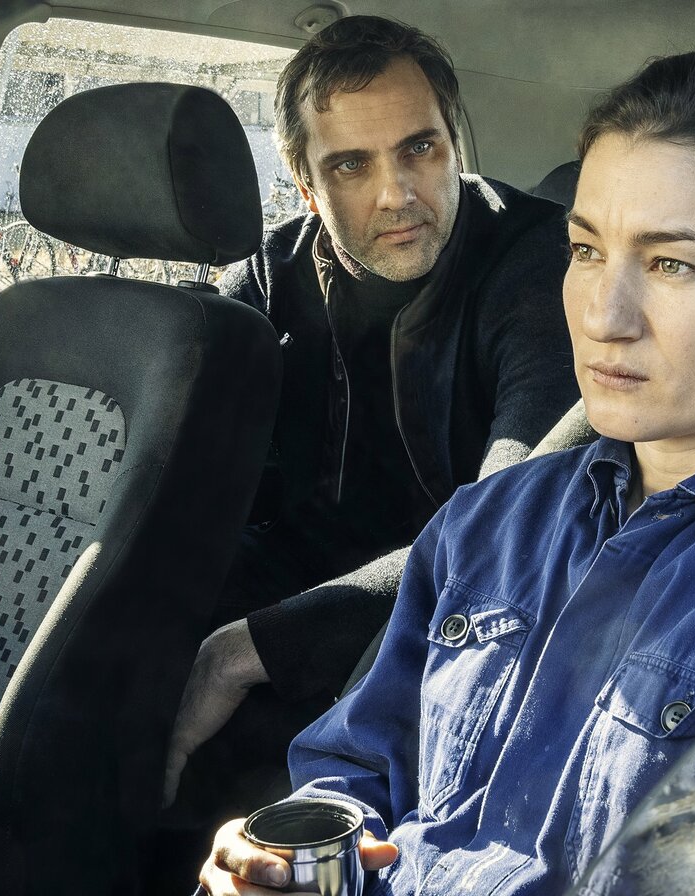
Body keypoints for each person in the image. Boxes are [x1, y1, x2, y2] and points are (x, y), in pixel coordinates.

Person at [197, 46, 695, 896]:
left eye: (670, 263)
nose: (604, 316)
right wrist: (287, 858)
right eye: (585, 249)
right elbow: (356, 767)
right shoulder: (488, 522)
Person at [161, 17, 578, 813]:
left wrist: (244, 651)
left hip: (468, 629)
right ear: (304, 181)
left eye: (420, 148)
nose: (398, 194)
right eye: (352, 164)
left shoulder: (534, 266)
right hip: (299, 590)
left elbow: (508, 529)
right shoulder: (271, 278)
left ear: (454, 140)